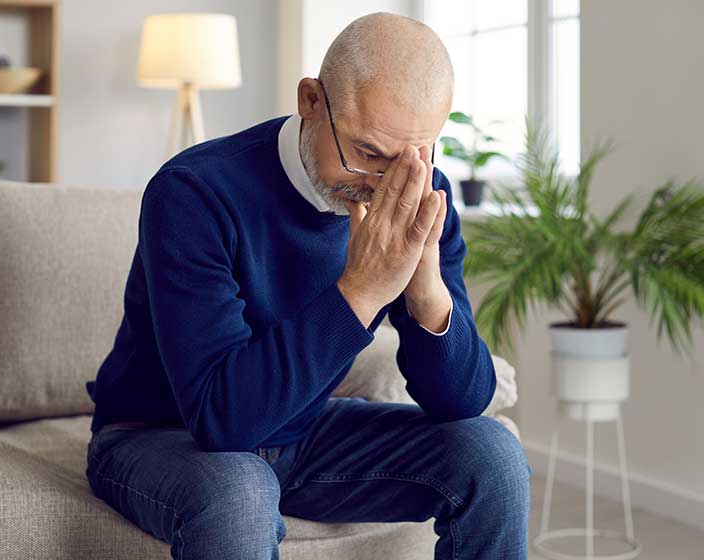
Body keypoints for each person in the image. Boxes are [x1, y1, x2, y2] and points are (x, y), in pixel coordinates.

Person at [84, 11, 530, 559]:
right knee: (239, 491)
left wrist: (426, 291)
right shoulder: (193, 193)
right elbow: (222, 421)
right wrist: (361, 290)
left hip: (303, 433)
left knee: (493, 454)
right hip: (160, 434)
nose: (384, 186)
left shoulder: (420, 193)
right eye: (367, 153)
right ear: (311, 101)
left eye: (415, 156)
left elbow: (463, 402)